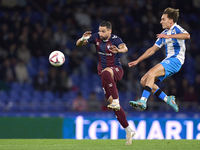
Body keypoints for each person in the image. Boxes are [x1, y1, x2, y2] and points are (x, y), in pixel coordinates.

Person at [76, 21, 135, 145]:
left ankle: (116, 100)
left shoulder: (115, 39)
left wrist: (118, 50)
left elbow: (125, 48)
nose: (100, 33)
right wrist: (82, 38)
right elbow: (78, 44)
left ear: (109, 31)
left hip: (116, 70)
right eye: (99, 30)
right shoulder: (96, 37)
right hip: (104, 76)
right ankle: (128, 129)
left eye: (103, 31)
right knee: (114, 106)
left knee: (107, 73)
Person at [128, 7, 190, 112]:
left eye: (163, 19)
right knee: (144, 81)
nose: (161, 21)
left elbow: (187, 36)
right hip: (169, 60)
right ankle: (168, 99)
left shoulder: (176, 29)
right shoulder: (164, 33)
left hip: (176, 60)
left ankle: (143, 100)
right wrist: (138, 60)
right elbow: (152, 50)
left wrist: (168, 36)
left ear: (171, 21)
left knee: (151, 72)